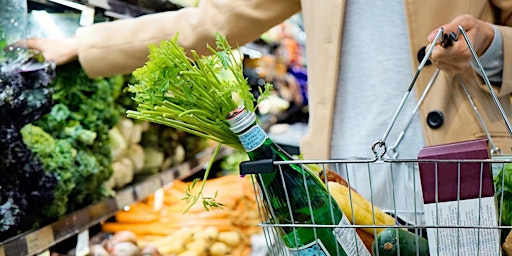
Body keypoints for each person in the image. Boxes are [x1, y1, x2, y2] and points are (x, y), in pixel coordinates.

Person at [25, 0, 512, 225]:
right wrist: (85, 45)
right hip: (343, 183)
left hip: (467, 177)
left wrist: (491, 47)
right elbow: (213, 20)